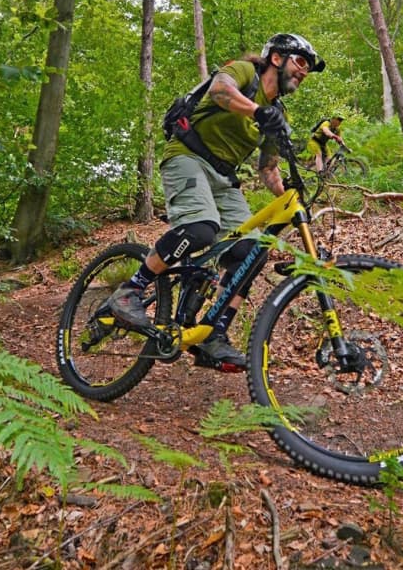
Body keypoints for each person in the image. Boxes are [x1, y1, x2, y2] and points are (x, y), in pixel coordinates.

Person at [106, 33, 326, 370]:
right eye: (300, 61)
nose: (304, 71)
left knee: (251, 253)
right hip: (188, 155)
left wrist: (291, 198)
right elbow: (220, 91)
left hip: (224, 177)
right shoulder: (246, 73)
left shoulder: (277, 113)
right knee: (200, 228)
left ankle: (213, 334)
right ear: (277, 58)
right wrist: (256, 110)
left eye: (308, 68)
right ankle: (130, 290)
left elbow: (268, 169)